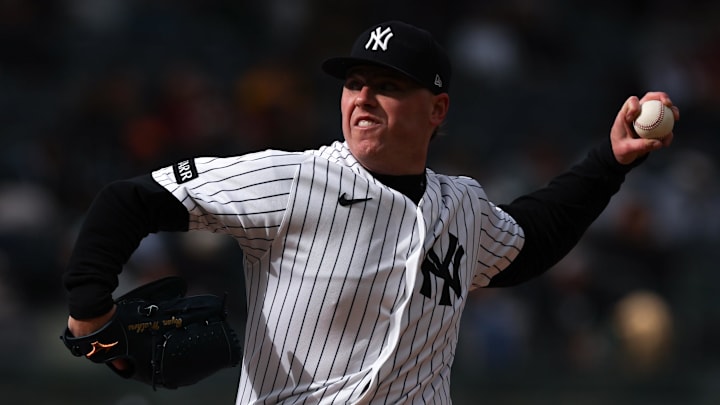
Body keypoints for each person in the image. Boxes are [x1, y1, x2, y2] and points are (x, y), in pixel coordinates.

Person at [64, 20, 678, 404]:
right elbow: (129, 200)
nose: (363, 97)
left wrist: (610, 161)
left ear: (436, 110)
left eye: (387, 85)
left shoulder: (461, 204)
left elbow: (531, 240)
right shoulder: (292, 178)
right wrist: (90, 313)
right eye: (354, 81)